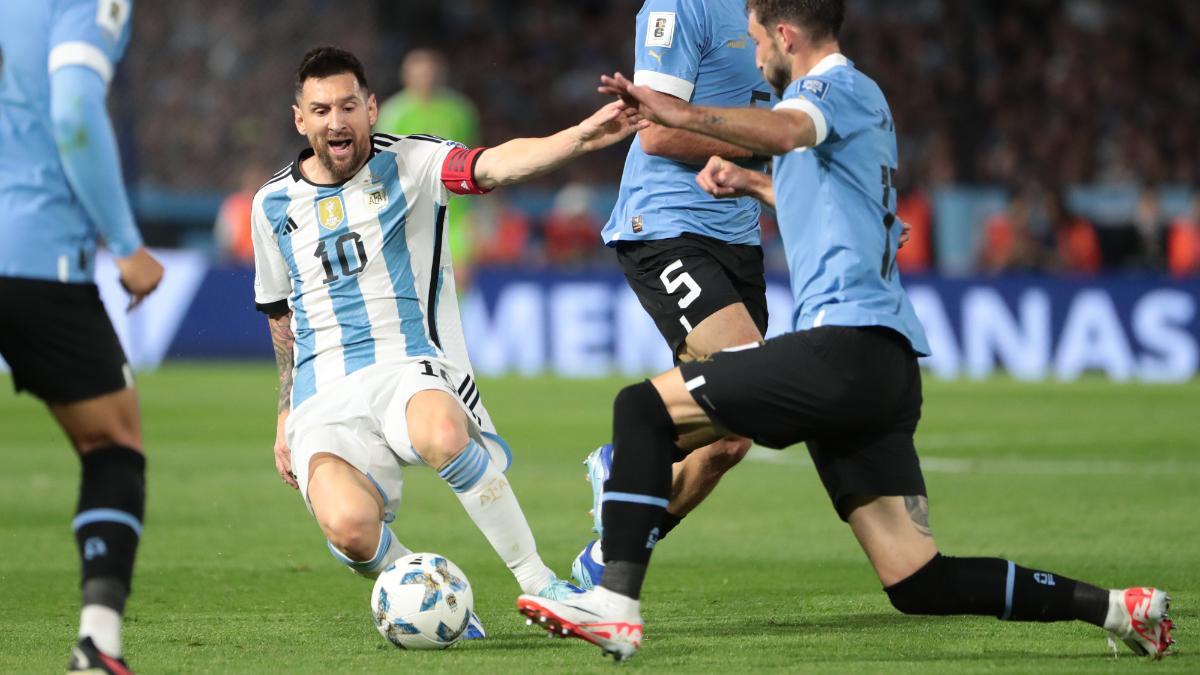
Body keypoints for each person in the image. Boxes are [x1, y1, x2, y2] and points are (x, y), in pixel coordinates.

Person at [517, 0, 1173, 662]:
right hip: (886, 369)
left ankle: (615, 603)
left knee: (642, 409)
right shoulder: (865, 105)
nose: (755, 57)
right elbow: (827, 194)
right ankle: (1118, 608)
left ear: (786, 36)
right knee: (919, 580)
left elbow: (785, 131)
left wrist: (678, 113)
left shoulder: (825, 90)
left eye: (758, 44)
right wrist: (749, 183)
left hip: (839, 349)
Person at [252, 47, 644, 637]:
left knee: (441, 431)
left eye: (349, 106)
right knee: (350, 529)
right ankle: (422, 588)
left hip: (407, 364)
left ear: (373, 108)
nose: (337, 121)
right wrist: (284, 413)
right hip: (321, 393)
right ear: (300, 120)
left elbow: (494, 165)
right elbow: (280, 314)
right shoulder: (270, 205)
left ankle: (543, 585)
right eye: (322, 109)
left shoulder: (413, 161)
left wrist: (581, 139)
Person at [570, 0, 778, 591]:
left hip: (738, 233)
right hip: (665, 226)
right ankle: (628, 454)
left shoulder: (780, 15)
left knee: (731, 438)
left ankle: (611, 550)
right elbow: (657, 133)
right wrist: (775, 148)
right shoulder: (681, 6)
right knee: (748, 375)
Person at [0, 2, 164, 672]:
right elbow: (71, 111)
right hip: (33, 254)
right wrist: (125, 244)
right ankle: (98, 642)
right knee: (111, 443)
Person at [376, 49, 482, 285]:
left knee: (458, 287)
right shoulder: (394, 113)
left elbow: (476, 164)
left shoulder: (460, 112)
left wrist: (475, 219)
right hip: (412, 215)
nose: (426, 79)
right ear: (406, 76)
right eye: (419, 73)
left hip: (456, 217)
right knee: (417, 287)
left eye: (430, 73)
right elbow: (381, 168)